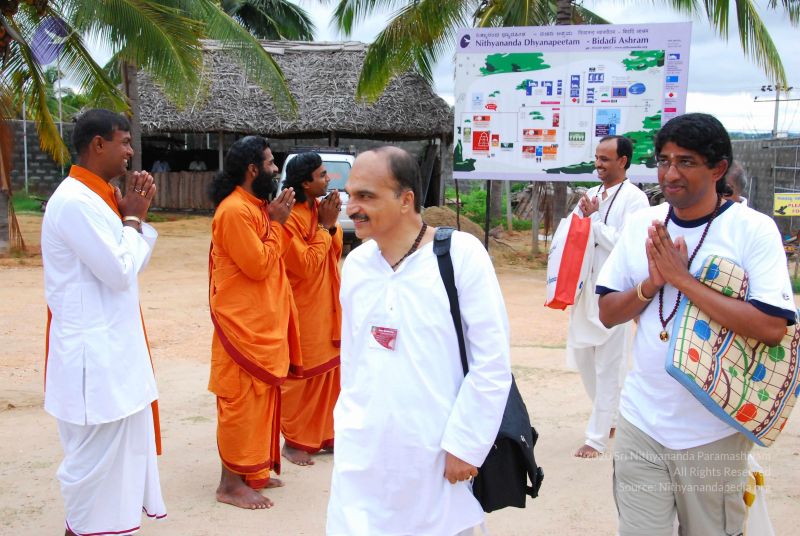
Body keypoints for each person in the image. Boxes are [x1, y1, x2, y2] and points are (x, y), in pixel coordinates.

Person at [597, 113, 795, 536]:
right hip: (641, 421)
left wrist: (683, 280)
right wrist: (651, 284)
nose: (670, 174)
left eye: (685, 162)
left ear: (718, 168)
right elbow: (608, 312)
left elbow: (771, 327)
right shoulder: (642, 225)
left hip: (713, 431)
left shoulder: (752, 230)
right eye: (664, 161)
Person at [326, 146, 512, 535]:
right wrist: (348, 426)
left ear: (406, 199)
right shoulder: (357, 265)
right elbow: (354, 363)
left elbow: (492, 363)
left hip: (437, 458)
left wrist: (466, 444)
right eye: (350, 194)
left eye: (366, 196)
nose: (352, 207)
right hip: (364, 456)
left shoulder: (460, 255)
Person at [41, 108, 166, 535]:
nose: (131, 152)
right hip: (93, 368)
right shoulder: (75, 202)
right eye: (124, 142)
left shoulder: (99, 199)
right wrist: (133, 218)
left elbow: (130, 265)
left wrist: (130, 217)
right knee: (93, 481)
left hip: (112, 360)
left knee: (113, 483)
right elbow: (119, 271)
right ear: (98, 145)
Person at [207, 135, 301, 510]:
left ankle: (252, 470)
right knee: (240, 404)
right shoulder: (234, 211)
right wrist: (277, 224)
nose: (276, 169)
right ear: (252, 169)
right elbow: (259, 264)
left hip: (261, 326)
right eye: (270, 162)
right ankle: (229, 484)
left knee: (259, 402)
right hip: (241, 329)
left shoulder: (256, 207)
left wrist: (273, 221)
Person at [567, 135, 649, 458]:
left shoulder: (635, 199)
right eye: (597, 158)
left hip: (616, 294)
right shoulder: (590, 194)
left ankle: (596, 438)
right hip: (584, 288)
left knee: (609, 365)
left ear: (623, 161)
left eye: (605, 159)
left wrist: (593, 221)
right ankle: (612, 416)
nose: (598, 164)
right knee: (583, 357)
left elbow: (626, 245)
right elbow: (575, 233)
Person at [280, 152, 343, 466]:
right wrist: (325, 227)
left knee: (331, 374)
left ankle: (326, 435)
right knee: (302, 376)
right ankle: (294, 441)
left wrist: (329, 225)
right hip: (303, 308)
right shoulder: (288, 217)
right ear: (305, 183)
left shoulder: (318, 209)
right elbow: (304, 265)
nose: (328, 179)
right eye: (322, 175)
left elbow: (334, 250)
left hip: (327, 303)